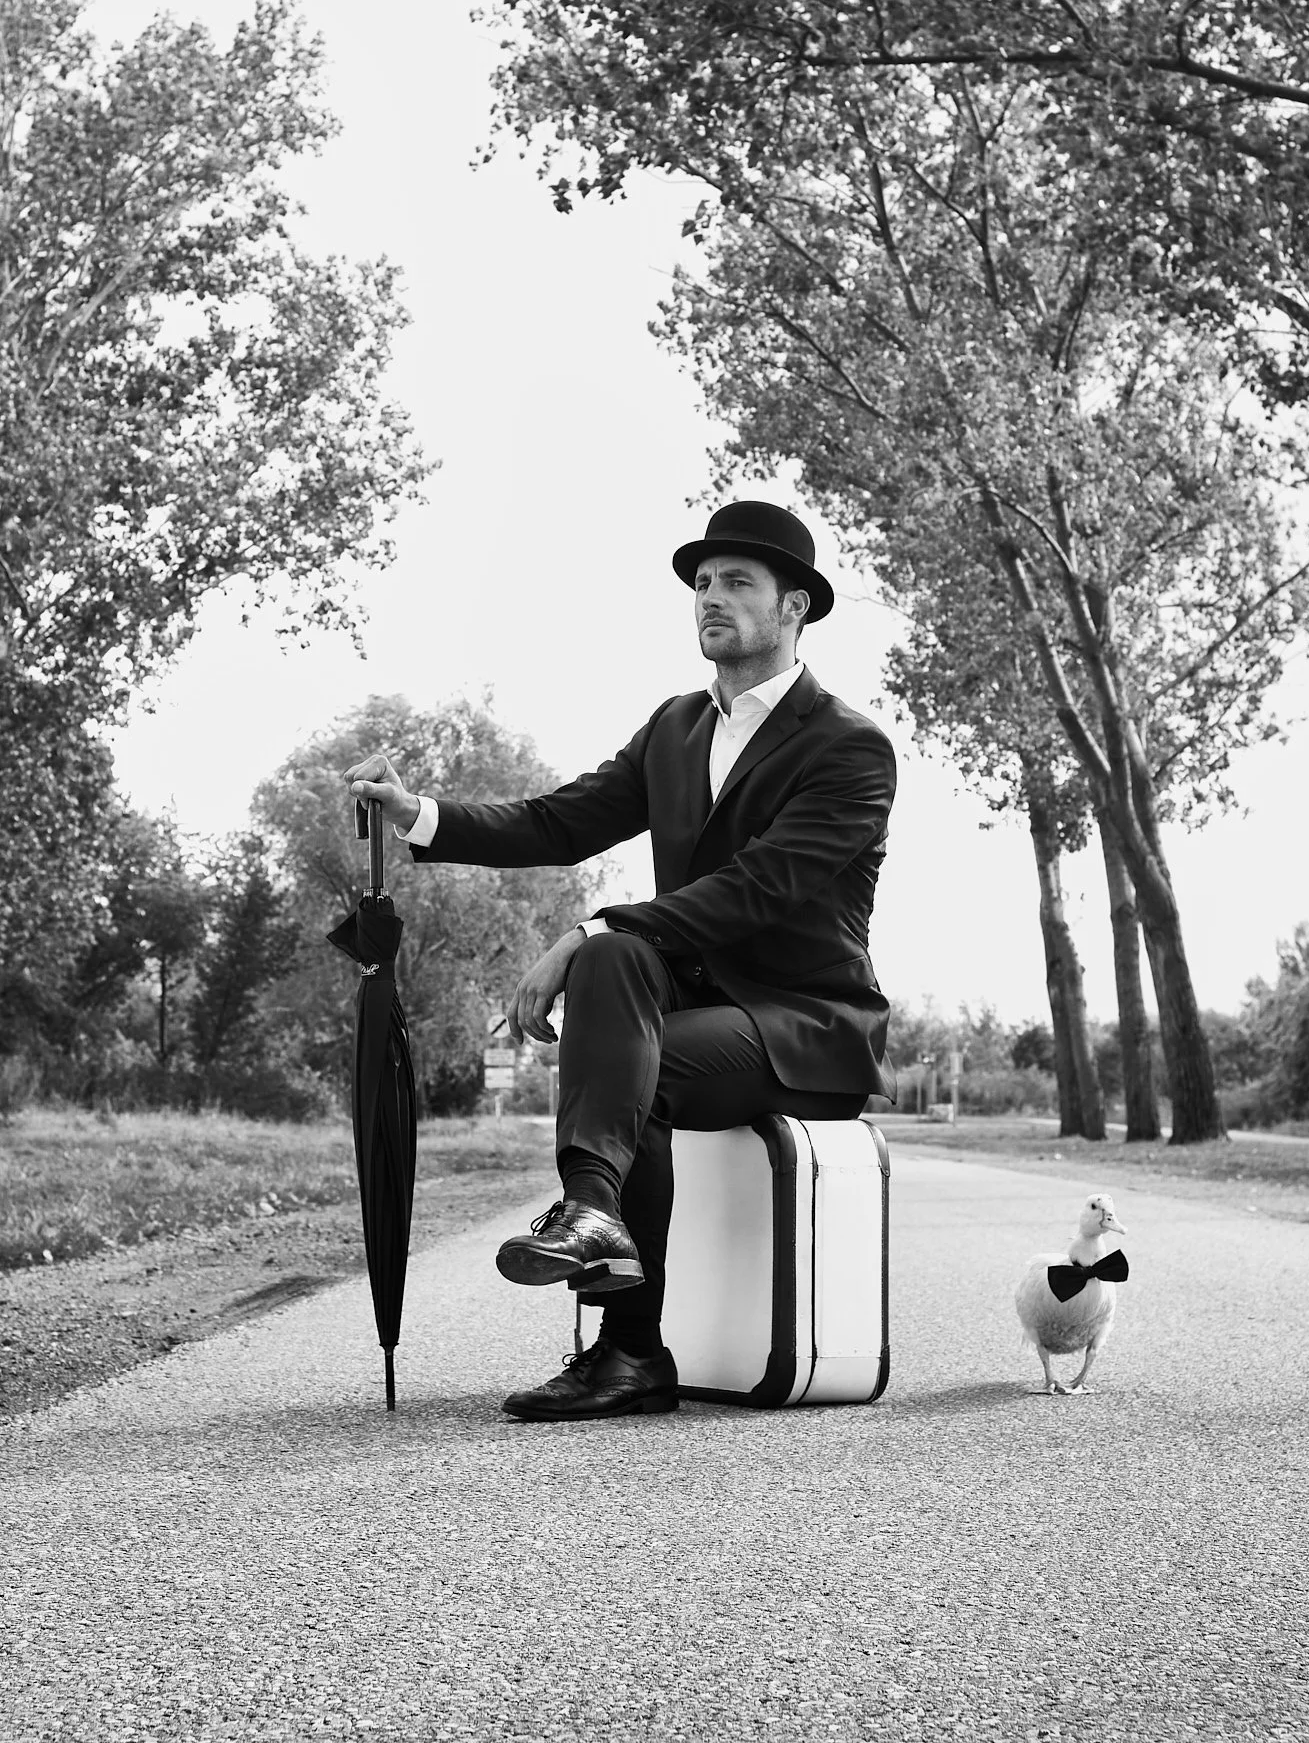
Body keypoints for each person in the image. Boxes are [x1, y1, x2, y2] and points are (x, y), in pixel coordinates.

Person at [344, 500, 897, 1422]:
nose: (709, 600)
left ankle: (628, 1345)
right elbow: (561, 819)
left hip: (803, 1025)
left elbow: (760, 887)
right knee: (615, 993)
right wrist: (420, 814)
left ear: (795, 606)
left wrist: (588, 929)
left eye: (735, 584)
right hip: (693, 1015)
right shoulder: (676, 727)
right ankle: (613, 1284)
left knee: (609, 966)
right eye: (701, 584)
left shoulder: (849, 746)